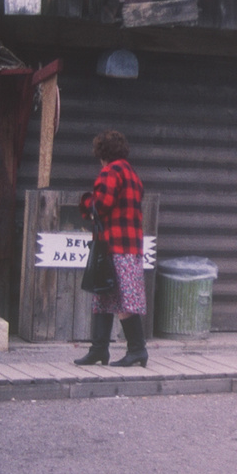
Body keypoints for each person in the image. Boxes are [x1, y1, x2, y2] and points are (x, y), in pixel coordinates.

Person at [76, 130, 149, 366]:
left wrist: (86, 201)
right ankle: (99, 350)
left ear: (102, 153)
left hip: (114, 246)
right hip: (130, 245)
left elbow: (101, 205)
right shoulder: (132, 173)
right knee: (106, 296)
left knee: (120, 298)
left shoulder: (111, 171)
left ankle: (136, 350)